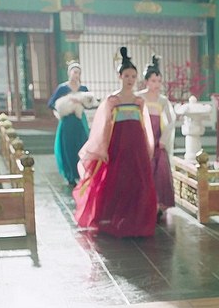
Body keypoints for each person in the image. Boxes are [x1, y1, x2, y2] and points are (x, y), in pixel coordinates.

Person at [73, 47, 157, 238]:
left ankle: (136, 218)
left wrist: (147, 146)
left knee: (138, 182)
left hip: (136, 146)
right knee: (117, 181)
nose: (130, 79)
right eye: (126, 75)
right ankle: (113, 217)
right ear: (119, 76)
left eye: (133, 76)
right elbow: (103, 126)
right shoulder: (112, 100)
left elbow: (144, 127)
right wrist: (102, 148)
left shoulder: (139, 101)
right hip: (118, 145)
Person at [135, 54, 176, 222]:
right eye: (153, 81)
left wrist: (164, 139)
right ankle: (142, 203)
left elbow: (171, 121)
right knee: (143, 170)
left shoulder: (163, 100)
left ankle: (158, 205)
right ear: (146, 81)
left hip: (158, 140)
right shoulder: (139, 98)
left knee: (160, 173)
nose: (157, 84)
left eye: (159, 81)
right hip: (143, 138)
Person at [48, 61, 91, 186]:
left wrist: (80, 102)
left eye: (78, 73)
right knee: (67, 147)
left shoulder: (83, 89)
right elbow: (51, 103)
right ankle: (70, 175)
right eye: (74, 72)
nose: (76, 75)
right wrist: (62, 107)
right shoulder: (62, 88)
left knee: (82, 145)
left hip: (79, 121)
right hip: (67, 121)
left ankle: (82, 173)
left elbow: (89, 103)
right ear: (69, 73)